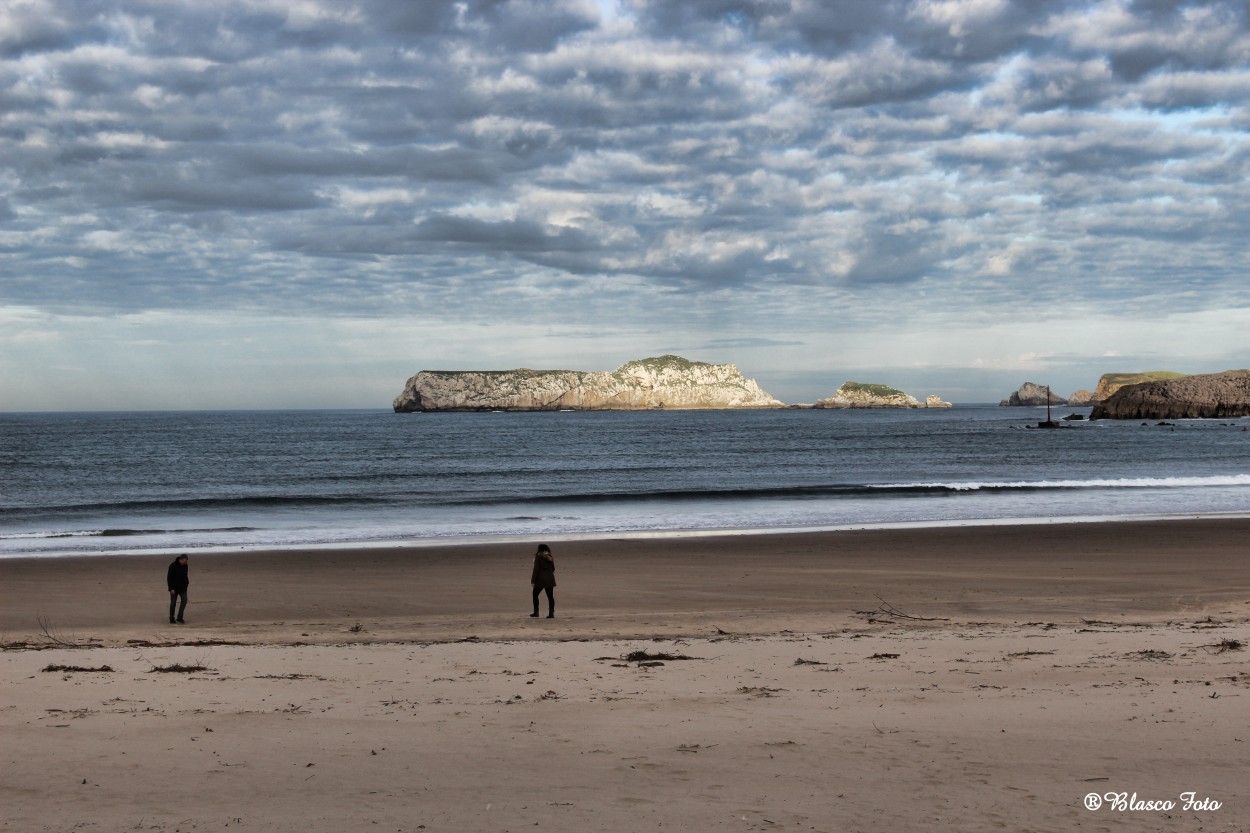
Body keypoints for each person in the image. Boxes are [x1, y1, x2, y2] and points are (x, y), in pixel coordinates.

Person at [529, 544, 556, 618]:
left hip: (540, 579)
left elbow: (536, 569)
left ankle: (536, 612)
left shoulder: (538, 556)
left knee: (535, 594)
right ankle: (551, 613)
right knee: (550, 596)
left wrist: (533, 580)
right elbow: (553, 568)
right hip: (550, 578)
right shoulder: (550, 557)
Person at [167, 554, 189, 624]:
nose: (185, 563)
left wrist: (186, 583)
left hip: (183, 588)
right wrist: (171, 588)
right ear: (180, 560)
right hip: (174, 589)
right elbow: (169, 578)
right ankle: (171, 618)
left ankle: (179, 617)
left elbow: (185, 575)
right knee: (173, 603)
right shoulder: (172, 566)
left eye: (186, 562)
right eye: (184, 562)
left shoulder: (185, 566)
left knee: (184, 601)